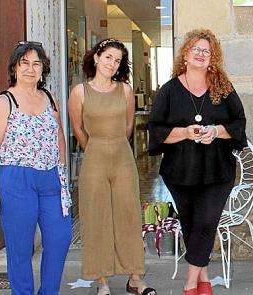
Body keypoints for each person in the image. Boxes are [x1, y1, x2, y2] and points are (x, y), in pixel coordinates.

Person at [148, 28, 247, 295]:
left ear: (213, 56)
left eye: (207, 50)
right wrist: (184, 132)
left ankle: (190, 284)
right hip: (180, 173)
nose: (201, 54)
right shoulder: (169, 91)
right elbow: (156, 131)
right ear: (186, 54)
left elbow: (239, 123)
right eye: (196, 49)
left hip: (218, 172)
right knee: (191, 226)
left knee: (205, 223)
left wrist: (215, 131)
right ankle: (204, 282)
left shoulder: (223, 87)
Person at [0, 41, 72, 294]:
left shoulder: (50, 99)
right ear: (14, 67)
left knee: (60, 238)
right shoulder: (4, 102)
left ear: (43, 69)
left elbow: (59, 138)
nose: (31, 69)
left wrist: (62, 175)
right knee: (20, 247)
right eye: (25, 63)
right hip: (15, 180)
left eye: (36, 64)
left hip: (51, 179)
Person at [68, 39, 155, 295]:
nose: (112, 63)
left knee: (129, 216)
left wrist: (113, 144)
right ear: (96, 58)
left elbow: (128, 127)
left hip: (123, 158)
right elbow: (77, 129)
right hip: (94, 159)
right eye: (108, 57)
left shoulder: (125, 90)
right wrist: (95, 148)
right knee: (96, 218)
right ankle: (102, 282)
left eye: (117, 60)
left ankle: (136, 279)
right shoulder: (79, 92)